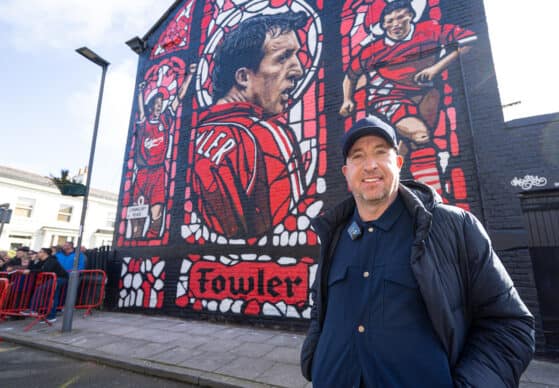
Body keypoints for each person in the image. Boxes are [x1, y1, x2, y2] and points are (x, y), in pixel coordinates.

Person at [301, 116, 535, 387]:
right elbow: (323, 308)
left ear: (398, 163)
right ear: (346, 173)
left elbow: (509, 325)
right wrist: (313, 360)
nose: (370, 165)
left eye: (380, 152)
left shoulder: (455, 226)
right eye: (358, 156)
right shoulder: (334, 235)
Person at [339, 0, 476, 197]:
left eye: (400, 17)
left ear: (411, 16)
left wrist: (436, 68)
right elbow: (350, 76)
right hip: (388, 96)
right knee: (420, 135)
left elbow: (468, 41)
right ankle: (431, 196)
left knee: (403, 148)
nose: (395, 24)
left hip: (427, 95)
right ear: (383, 25)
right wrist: (346, 99)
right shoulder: (373, 50)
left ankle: (400, 197)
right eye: (389, 21)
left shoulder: (429, 30)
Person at [191, 11, 308, 238]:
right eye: (283, 57)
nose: (299, 70)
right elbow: (286, 229)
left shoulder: (187, 140)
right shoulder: (266, 136)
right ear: (243, 77)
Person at [130, 62, 196, 238]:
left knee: (156, 215)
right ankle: (138, 246)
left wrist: (189, 76)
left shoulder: (165, 120)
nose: (159, 107)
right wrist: (140, 92)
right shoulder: (143, 124)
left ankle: (151, 241)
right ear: (151, 106)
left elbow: (178, 98)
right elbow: (141, 110)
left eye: (161, 104)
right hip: (142, 173)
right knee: (137, 217)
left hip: (158, 172)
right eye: (157, 105)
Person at [22, 248, 68, 323]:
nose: (38, 253)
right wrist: (32, 261)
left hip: (59, 278)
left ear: (45, 253)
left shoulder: (51, 260)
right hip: (53, 278)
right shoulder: (42, 261)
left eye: (40, 252)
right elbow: (32, 269)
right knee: (50, 296)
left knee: (43, 291)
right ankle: (49, 316)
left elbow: (45, 270)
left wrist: (31, 271)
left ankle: (34, 310)